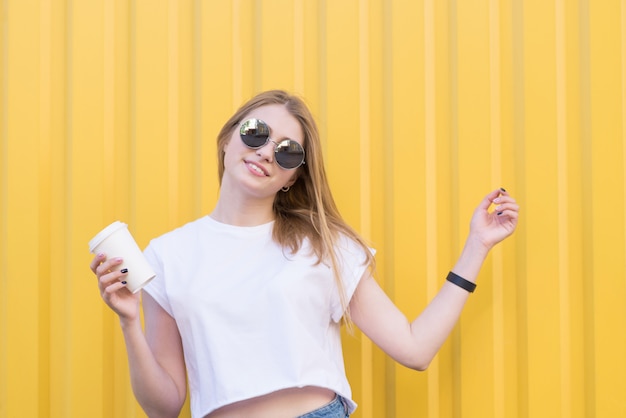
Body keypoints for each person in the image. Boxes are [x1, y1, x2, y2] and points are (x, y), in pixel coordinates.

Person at [90, 90, 519, 418]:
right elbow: (164, 406)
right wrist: (129, 321)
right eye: (256, 133)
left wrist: (476, 246)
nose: (265, 152)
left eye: (287, 151)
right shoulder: (167, 256)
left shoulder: (322, 245)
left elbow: (415, 349)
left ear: (292, 178)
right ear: (227, 140)